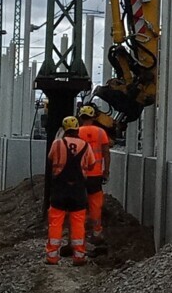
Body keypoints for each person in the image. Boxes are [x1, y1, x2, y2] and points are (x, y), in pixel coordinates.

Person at [45, 116, 96, 266]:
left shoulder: (57, 143)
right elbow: (92, 165)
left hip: (60, 189)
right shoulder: (85, 146)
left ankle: (52, 256)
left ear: (64, 129)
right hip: (78, 190)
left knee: (55, 222)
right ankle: (79, 256)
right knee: (78, 223)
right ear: (77, 128)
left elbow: (50, 159)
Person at [77, 104, 111, 244]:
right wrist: (106, 171)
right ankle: (96, 232)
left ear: (80, 117)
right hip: (96, 175)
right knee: (95, 204)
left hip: (79, 175)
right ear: (93, 117)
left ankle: (80, 233)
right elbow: (106, 153)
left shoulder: (76, 132)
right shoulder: (101, 132)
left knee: (79, 204)